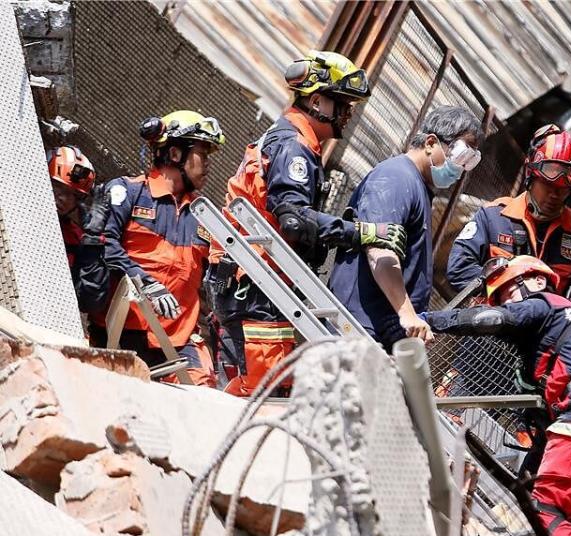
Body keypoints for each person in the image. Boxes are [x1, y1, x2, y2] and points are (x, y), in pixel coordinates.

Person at [422, 255, 571, 536]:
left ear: (537, 281)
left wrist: (429, 319)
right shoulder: (565, 334)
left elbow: (493, 319)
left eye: (508, 293)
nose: (506, 303)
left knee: (547, 501)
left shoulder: (545, 303)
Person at [207, 51, 406, 396]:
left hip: (255, 286)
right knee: (259, 396)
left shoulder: (289, 139)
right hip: (256, 288)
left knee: (263, 389)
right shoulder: (293, 147)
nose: (348, 114)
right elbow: (294, 222)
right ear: (316, 101)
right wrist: (364, 233)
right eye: (342, 104)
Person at [328, 105, 483, 350]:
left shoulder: (418, 186)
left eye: (468, 162)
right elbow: (380, 251)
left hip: (379, 332)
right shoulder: (396, 178)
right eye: (459, 156)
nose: (459, 169)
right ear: (431, 143)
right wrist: (408, 314)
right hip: (358, 328)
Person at [89, 110, 224, 386]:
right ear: (175, 154)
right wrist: (146, 282)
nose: (208, 164)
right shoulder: (127, 192)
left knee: (205, 401)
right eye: (202, 154)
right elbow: (104, 245)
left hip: (179, 342)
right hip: (122, 338)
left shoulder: (204, 215)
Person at [446, 124, 571, 322]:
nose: (554, 195)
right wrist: (510, 288)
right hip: (487, 334)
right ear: (530, 175)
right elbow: (458, 269)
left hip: (543, 343)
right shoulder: (493, 217)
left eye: (563, 188)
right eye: (548, 185)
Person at [46, 145, 109, 315]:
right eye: (57, 187)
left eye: (73, 195)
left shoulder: (76, 239)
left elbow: (92, 303)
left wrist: (93, 241)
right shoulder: (9, 212)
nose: (63, 199)